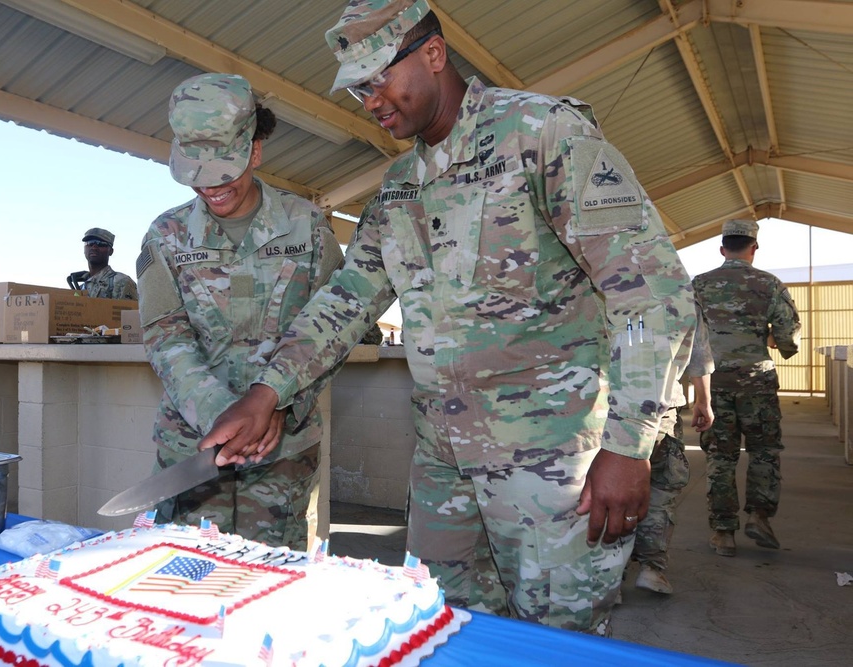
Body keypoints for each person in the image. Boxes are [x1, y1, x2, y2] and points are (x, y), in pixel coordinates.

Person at [197, 0, 696, 636]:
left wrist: (630, 445)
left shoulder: (540, 133)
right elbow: (349, 297)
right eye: (357, 89)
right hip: (442, 461)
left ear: (433, 54)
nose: (370, 101)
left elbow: (651, 293)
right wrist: (267, 392)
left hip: (548, 464)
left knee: (556, 642)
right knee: (444, 630)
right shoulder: (399, 185)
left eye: (379, 77)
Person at [135, 73, 344, 550]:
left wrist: (279, 402)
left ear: (254, 151)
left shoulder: (306, 227)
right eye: (196, 174)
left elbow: (333, 327)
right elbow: (166, 337)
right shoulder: (164, 237)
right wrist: (223, 413)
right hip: (194, 451)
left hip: (282, 452)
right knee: (183, 587)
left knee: (271, 588)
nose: (211, 188)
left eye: (224, 170)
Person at [692, 219, 801, 557]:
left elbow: (688, 338)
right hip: (757, 382)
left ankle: (723, 533)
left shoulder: (699, 285)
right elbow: (788, 338)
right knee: (764, 451)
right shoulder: (769, 284)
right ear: (753, 248)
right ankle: (759, 515)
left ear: (723, 249)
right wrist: (768, 338)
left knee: (720, 457)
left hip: (715, 383)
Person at [631, 303, 714, 595]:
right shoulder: (680, 292)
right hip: (660, 409)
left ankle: (609, 575)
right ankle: (652, 568)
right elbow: (699, 360)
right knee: (661, 487)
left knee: (607, 487)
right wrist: (704, 402)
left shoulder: (597, 279)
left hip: (603, 409)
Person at [67, 228, 138, 300]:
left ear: (111, 251)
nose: (94, 247)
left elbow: (129, 310)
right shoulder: (80, 288)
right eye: (89, 243)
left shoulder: (122, 282)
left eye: (100, 244)